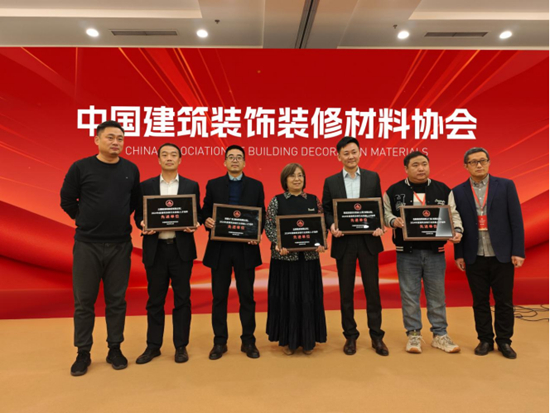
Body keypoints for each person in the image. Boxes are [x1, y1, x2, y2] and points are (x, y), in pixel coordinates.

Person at [60, 120, 141, 376]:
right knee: (84, 301)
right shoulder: (80, 167)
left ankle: (114, 348)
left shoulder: (131, 169)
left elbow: (134, 202)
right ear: (97, 140)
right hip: (88, 245)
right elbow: (66, 200)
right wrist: (85, 219)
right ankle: (83, 352)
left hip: (120, 245)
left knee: (116, 300)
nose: (116, 142)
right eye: (110, 137)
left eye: (120, 138)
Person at [383, 151, 463, 354]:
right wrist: (393, 221)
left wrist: (458, 230)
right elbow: (385, 213)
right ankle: (413, 335)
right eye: (415, 165)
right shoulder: (394, 190)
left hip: (435, 251)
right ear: (406, 168)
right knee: (409, 295)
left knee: (437, 295)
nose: (421, 168)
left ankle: (440, 335)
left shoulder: (442, 189)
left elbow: (453, 213)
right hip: (406, 252)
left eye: (424, 164)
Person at [453, 147, 525, 359]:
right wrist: (459, 254)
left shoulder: (506, 185)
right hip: (473, 255)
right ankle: (485, 339)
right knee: (480, 301)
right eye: (473, 162)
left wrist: (518, 251)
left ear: (489, 162)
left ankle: (504, 341)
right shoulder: (457, 191)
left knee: (504, 301)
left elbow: (516, 220)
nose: (479, 165)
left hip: (502, 254)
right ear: (466, 166)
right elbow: (456, 224)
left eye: (482, 160)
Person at [134, 143, 201, 365]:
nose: (169, 158)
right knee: (155, 300)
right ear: (158, 159)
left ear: (180, 159)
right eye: (164, 155)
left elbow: (197, 213)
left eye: (173, 155)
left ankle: (181, 346)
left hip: (181, 250)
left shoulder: (191, 185)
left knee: (182, 299)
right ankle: (153, 346)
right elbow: (138, 215)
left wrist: (195, 223)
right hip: (156, 250)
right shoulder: (146, 186)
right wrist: (142, 224)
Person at [322, 136, 388, 356]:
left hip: (369, 241)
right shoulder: (331, 181)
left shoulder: (372, 177)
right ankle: (350, 336)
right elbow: (327, 209)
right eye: (346, 153)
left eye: (354, 152)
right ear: (338, 156)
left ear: (360, 153)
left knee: (373, 291)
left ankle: (377, 336)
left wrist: (379, 225)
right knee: (346, 292)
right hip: (344, 242)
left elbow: (378, 206)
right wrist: (332, 225)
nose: (350, 156)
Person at [202, 145, 266, 360]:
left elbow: (261, 214)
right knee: (219, 297)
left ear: (245, 162)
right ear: (225, 162)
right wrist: (207, 221)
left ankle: (248, 341)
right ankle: (219, 342)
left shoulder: (256, 185)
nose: (235, 160)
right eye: (231, 157)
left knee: (247, 297)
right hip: (220, 249)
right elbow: (205, 211)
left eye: (239, 157)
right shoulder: (213, 184)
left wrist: (256, 232)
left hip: (245, 249)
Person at [265, 163, 327, 355]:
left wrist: (321, 242)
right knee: (287, 299)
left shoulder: (313, 200)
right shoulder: (277, 201)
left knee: (308, 298)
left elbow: (321, 225)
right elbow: (269, 226)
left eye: (300, 175)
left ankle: (308, 340)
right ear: (285, 180)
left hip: (308, 259)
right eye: (292, 176)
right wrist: (278, 243)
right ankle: (287, 340)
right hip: (284, 260)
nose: (297, 179)